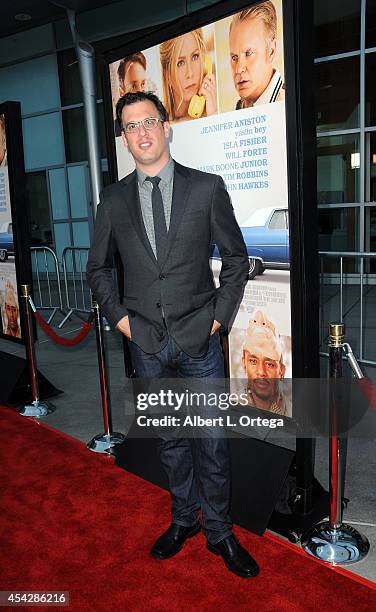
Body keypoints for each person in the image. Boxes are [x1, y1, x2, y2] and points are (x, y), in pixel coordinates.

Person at [87, 91, 259, 578]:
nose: (140, 132)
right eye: (130, 126)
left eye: (148, 121)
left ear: (166, 127)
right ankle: (183, 518)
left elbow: (236, 259)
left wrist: (217, 319)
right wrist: (122, 321)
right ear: (124, 138)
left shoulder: (206, 188)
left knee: (212, 441)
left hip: (199, 340)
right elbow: (98, 269)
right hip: (146, 344)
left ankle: (220, 532)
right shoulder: (115, 199)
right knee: (169, 439)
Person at [229, 1, 285, 109]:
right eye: (234, 57)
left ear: (271, 51)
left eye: (248, 53)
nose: (238, 69)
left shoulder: (289, 106)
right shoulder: (234, 111)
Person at [160, 29, 217, 122]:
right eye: (180, 63)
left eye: (195, 57)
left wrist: (214, 115)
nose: (190, 73)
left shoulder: (217, 110)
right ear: (167, 73)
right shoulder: (161, 125)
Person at [242, 310, 290, 416]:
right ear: (244, 364)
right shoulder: (234, 405)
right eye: (253, 361)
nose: (261, 372)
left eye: (269, 364)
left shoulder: (294, 411)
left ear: (282, 371)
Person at [114, 53, 148, 136]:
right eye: (133, 86)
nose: (140, 91)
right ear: (122, 91)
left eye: (142, 84)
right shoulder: (116, 128)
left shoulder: (157, 116)